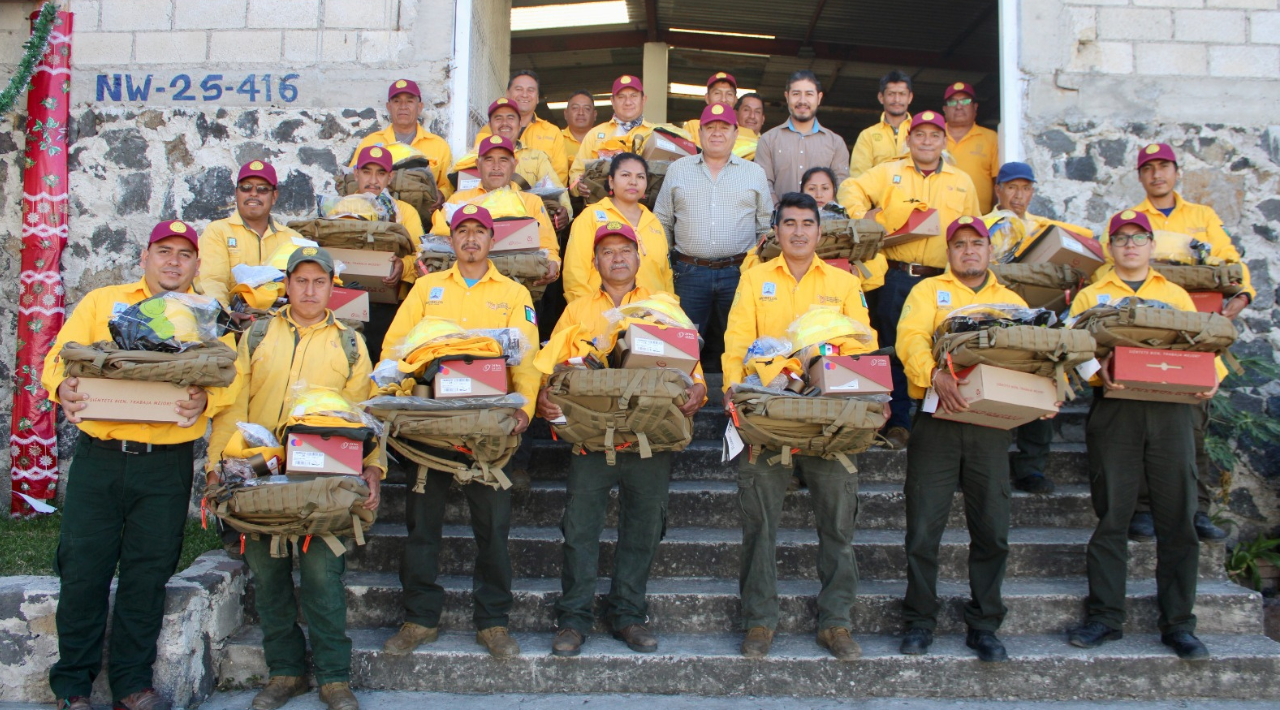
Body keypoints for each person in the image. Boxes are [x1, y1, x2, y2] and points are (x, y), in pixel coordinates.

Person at [43, 221, 240, 710]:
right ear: (145, 257)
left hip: (164, 465)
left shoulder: (208, 317)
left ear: (197, 265)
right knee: (83, 570)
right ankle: (73, 686)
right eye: (163, 251)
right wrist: (61, 388)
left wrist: (206, 403)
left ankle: (131, 684)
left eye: (184, 255)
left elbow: (232, 381)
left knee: (147, 574)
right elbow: (57, 359)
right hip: (100, 461)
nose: (173, 261)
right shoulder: (103, 302)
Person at [208, 247, 382, 710]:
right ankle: (285, 672)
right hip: (261, 475)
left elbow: (364, 414)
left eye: (319, 281)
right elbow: (233, 404)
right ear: (287, 284)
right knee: (267, 576)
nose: (309, 290)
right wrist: (216, 464)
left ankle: (333, 677)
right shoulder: (258, 333)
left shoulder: (350, 343)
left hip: (326, 477)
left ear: (331, 287)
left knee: (324, 575)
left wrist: (374, 468)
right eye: (301, 280)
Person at [538, 222, 706, 657]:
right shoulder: (576, 309)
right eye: (607, 251)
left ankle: (628, 615)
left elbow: (690, 365)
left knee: (644, 529)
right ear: (594, 262)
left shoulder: (663, 305)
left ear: (638, 257)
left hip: (649, 436)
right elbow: (551, 365)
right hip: (592, 439)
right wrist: (541, 398)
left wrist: (698, 389)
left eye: (625, 250)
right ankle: (573, 619)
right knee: (579, 529)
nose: (617, 258)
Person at [721, 192, 876, 662]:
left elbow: (862, 341)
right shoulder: (754, 279)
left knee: (837, 525)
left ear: (820, 231)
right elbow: (736, 343)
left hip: (830, 418)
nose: (799, 232)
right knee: (760, 525)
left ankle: (835, 622)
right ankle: (760, 622)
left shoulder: (844, 282)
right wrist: (735, 397)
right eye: (789, 223)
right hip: (769, 417)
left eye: (807, 223)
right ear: (776, 231)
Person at [379, 205, 539, 660]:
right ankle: (419, 619)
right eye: (462, 232)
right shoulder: (427, 289)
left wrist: (524, 407)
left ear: (492, 240)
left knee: (492, 528)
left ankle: (493, 622)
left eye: (479, 232)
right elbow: (394, 346)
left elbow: (526, 355)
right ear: (451, 241)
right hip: (431, 426)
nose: (470, 239)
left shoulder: (513, 292)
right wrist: (393, 390)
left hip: (488, 429)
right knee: (421, 528)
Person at [1066, 210, 1222, 662]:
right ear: (1110, 247)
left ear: (1151, 245)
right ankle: (1105, 617)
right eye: (1121, 238)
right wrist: (1100, 373)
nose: (1130, 245)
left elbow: (1202, 345)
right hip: (1117, 410)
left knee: (1178, 518)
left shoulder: (1174, 294)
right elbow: (1074, 350)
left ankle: (1178, 624)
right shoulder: (1092, 295)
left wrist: (1212, 377)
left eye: (1139, 238)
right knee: (1113, 515)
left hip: (1173, 410)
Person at [894, 216, 1031, 663]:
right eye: (959, 245)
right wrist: (932, 375)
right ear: (948, 252)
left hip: (991, 426)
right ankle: (919, 620)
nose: (968, 251)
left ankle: (985, 623)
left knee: (992, 529)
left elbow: (1032, 356)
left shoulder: (1011, 301)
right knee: (923, 529)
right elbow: (910, 338)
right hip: (937, 421)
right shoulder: (927, 292)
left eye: (977, 244)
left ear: (989, 250)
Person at [1114, 143, 1252, 543]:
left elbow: (1231, 262)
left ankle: (1197, 511)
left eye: (1164, 167)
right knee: (1144, 426)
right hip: (1148, 337)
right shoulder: (1133, 221)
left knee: (1193, 428)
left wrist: (1242, 296)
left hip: (1196, 338)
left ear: (1176, 172)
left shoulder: (1203, 217)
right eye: (1149, 169)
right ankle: (1143, 511)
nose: (1157, 175)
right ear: (1140, 176)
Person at [836, 110, 981, 450]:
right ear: (908, 139)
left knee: (944, 350)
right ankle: (899, 422)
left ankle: (937, 421)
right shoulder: (889, 172)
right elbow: (849, 187)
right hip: (898, 277)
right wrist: (865, 221)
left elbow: (974, 229)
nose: (927, 141)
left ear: (944, 141)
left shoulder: (962, 181)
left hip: (945, 280)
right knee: (895, 349)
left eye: (934, 135)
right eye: (920, 135)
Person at [984, 161, 1094, 496]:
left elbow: (1086, 252)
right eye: (1011, 187)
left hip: (1040, 319)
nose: (1018, 195)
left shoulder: (1045, 230)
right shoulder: (983, 227)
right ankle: (989, 466)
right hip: (998, 316)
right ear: (998, 190)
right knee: (995, 389)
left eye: (1026, 188)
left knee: (1043, 383)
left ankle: (1032, 467)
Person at [654, 103, 772, 354]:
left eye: (724, 127)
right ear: (700, 133)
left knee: (741, 343)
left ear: (736, 133)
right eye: (710, 127)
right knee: (682, 344)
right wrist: (666, 263)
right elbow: (662, 221)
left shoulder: (754, 173)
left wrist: (759, 269)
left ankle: (734, 393)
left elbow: (765, 226)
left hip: (739, 273)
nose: (716, 132)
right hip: (688, 273)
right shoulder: (678, 169)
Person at [429, 135, 561, 283]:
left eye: (503, 160)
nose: (496, 166)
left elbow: (548, 246)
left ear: (514, 164)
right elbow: (435, 243)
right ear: (477, 165)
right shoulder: (458, 201)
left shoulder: (532, 202)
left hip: (519, 283)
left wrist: (553, 264)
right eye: (488, 159)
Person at [196, 160, 302, 318]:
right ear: (236, 193)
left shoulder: (293, 239)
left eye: (262, 189)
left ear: (274, 196)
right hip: (236, 322)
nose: (253, 193)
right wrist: (227, 318)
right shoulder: (218, 232)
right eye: (246, 188)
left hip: (283, 323)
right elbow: (211, 281)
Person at [349, 145, 426, 360]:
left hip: (389, 305)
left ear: (390, 177)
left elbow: (421, 254)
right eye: (366, 171)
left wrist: (403, 267)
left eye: (380, 173)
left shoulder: (405, 212)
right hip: (348, 300)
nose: (373, 180)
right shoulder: (341, 208)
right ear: (356, 173)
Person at [563, 152, 671, 303]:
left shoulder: (654, 221)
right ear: (611, 181)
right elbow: (574, 273)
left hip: (651, 314)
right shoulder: (591, 217)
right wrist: (585, 312)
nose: (633, 182)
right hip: (603, 313)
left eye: (640, 177)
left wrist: (667, 309)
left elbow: (665, 274)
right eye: (626, 175)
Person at [458, 98, 571, 229]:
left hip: (526, 227)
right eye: (498, 118)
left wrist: (565, 212)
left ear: (520, 124)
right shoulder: (473, 158)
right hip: (481, 228)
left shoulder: (537, 157)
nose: (504, 123)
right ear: (489, 125)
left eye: (510, 118)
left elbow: (557, 190)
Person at [349, 79, 453, 201]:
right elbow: (352, 178)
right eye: (397, 101)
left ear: (419, 107)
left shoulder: (439, 145)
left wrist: (440, 196)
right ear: (389, 107)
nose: (403, 107)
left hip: (423, 216)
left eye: (409, 101)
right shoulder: (370, 143)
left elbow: (448, 186)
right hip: (378, 214)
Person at [755, 70, 850, 202]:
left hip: (822, 222)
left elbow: (842, 188)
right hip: (779, 221)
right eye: (796, 94)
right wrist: (779, 212)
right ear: (787, 97)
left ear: (819, 98)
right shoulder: (768, 140)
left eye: (809, 94)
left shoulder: (836, 143)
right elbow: (763, 184)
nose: (802, 101)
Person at [477, 70, 570, 184]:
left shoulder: (552, 132)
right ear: (507, 93)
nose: (524, 94)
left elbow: (559, 177)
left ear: (537, 97)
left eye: (530, 90)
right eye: (518, 89)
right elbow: (477, 170)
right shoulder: (488, 131)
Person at [569, 75, 654, 191]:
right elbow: (576, 172)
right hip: (600, 205)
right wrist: (578, 186)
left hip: (643, 206)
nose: (628, 102)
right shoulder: (594, 134)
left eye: (633, 96)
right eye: (621, 97)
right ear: (612, 101)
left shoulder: (655, 134)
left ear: (643, 99)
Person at [942, 81, 1000, 214]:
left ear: (975, 107)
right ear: (944, 109)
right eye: (952, 102)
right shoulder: (933, 136)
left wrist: (994, 216)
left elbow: (998, 181)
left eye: (965, 101)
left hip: (979, 219)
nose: (958, 107)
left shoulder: (991, 138)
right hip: (940, 218)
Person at [849, 70, 913, 180]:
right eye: (891, 94)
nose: (897, 99)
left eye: (902, 94)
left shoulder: (921, 132)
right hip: (878, 196)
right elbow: (858, 179)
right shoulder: (868, 135)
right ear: (881, 97)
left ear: (910, 97)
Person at [682, 71, 739, 147]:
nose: (723, 99)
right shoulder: (692, 126)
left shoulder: (748, 134)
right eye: (717, 93)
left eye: (729, 94)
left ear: (735, 100)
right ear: (707, 98)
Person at [562, 89, 598, 175]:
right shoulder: (555, 140)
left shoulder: (605, 140)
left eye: (587, 109)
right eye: (575, 108)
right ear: (566, 114)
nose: (581, 113)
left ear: (594, 115)